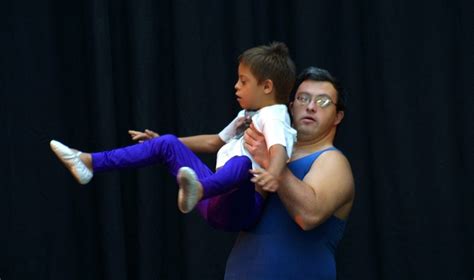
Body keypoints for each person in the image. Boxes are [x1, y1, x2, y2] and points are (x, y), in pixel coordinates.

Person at [50, 42, 296, 231]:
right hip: (214, 198)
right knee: (167, 142)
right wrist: (159, 142)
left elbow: (278, 149)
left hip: (242, 206)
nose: (236, 86)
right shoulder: (247, 114)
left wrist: (273, 175)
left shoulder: (275, 115)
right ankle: (88, 162)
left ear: (267, 86)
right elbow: (213, 141)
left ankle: (198, 189)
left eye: (243, 81)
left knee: (241, 164)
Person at [223, 66, 355, 279]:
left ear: (338, 116)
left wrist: (272, 163)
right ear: (291, 107)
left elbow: (308, 215)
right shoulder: (264, 150)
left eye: (322, 102)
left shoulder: (333, 161)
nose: (311, 107)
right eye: (303, 98)